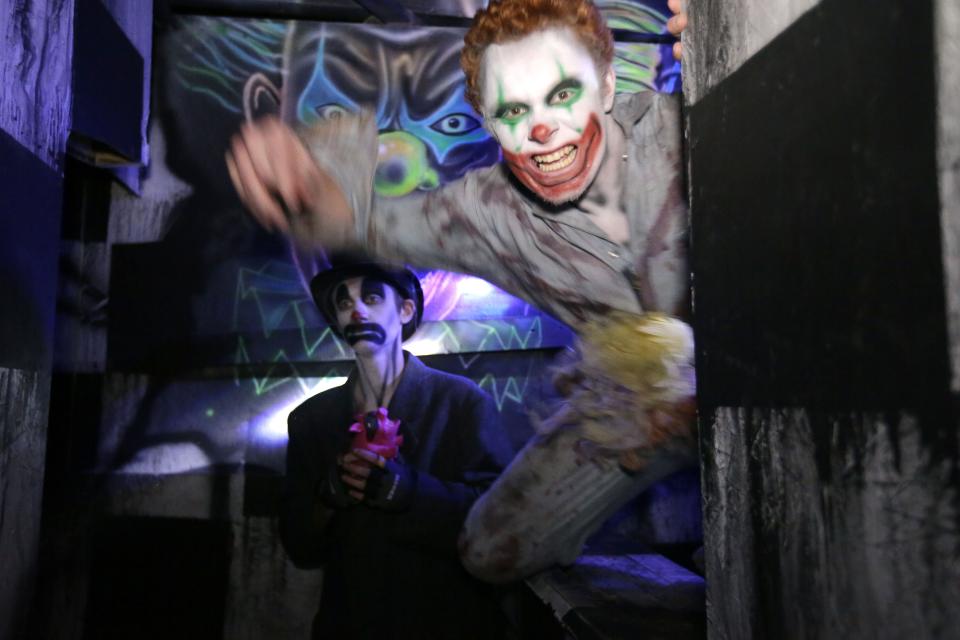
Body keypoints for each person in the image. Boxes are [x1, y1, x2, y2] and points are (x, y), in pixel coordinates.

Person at [231, 0, 694, 582]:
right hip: (635, 403)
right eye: (512, 110)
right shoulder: (487, 214)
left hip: (757, 365)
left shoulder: (690, 128)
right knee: (488, 550)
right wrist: (299, 180)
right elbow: (365, 222)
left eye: (560, 95)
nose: (541, 130)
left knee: (683, 353)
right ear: (487, 120)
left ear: (605, 84)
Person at [280, 255, 515, 639]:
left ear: (406, 310)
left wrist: (408, 492)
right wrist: (328, 497)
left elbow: (502, 523)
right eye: (343, 302)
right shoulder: (311, 421)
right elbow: (299, 546)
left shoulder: (461, 403)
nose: (354, 309)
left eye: (371, 298)